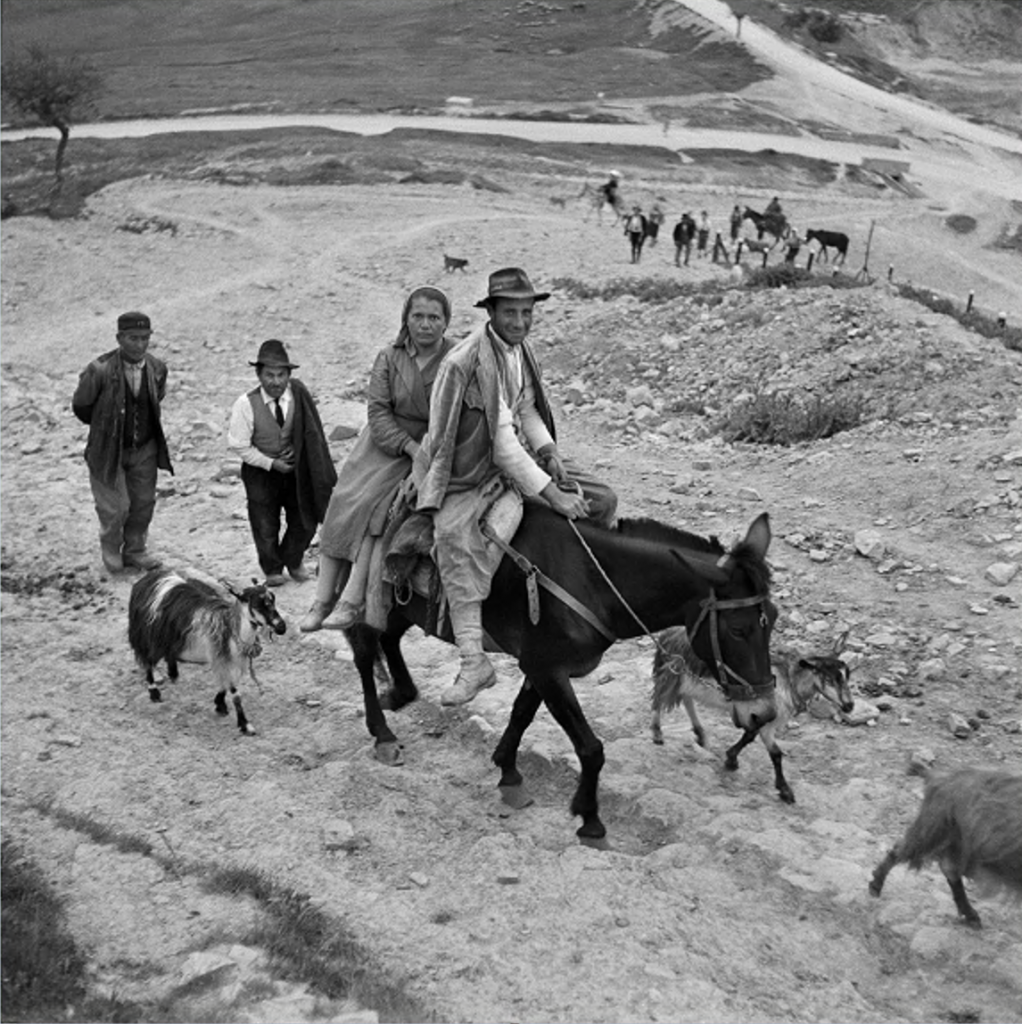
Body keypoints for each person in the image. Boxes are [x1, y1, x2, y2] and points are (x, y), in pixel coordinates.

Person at [412, 267, 618, 706]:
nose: (521, 321)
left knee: (602, 500)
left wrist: (549, 454)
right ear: (492, 312)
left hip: (514, 462)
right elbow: (501, 443)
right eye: (511, 312)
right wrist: (551, 493)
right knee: (455, 537)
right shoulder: (466, 362)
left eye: (527, 312)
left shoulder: (519, 351)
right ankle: (473, 660)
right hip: (468, 471)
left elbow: (525, 411)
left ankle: (575, 600)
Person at [300, 286, 454, 632]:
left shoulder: (455, 358)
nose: (425, 324)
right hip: (384, 445)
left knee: (381, 509)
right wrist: (409, 448)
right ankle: (321, 599)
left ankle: (352, 599)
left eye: (434, 317)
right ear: (406, 319)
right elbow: (378, 412)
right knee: (343, 501)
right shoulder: (389, 356)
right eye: (418, 316)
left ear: (446, 322)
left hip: (433, 445)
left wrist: (425, 453)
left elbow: (452, 415)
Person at [228, 339, 336, 586]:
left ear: (289, 375)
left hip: (296, 471)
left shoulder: (298, 396)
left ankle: (293, 558)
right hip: (261, 472)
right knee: (265, 523)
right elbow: (239, 445)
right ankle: (273, 568)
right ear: (258, 375)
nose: (275, 381)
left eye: (280, 375)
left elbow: (311, 434)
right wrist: (270, 463)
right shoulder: (246, 404)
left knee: (305, 517)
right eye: (269, 375)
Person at [72, 311, 173, 574]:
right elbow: (82, 407)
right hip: (107, 450)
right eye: (132, 338)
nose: (139, 345)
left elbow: (155, 399)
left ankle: (135, 550)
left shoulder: (157, 368)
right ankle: (110, 548)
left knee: (143, 504)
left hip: (145, 449)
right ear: (119, 338)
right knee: (115, 507)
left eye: (144, 338)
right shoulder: (99, 370)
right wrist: (108, 427)